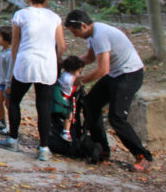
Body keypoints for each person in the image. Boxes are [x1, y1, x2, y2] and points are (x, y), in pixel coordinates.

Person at [64, 10, 153, 172]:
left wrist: (81, 80)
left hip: (129, 74)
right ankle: (102, 148)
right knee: (90, 104)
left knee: (117, 117)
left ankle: (143, 156)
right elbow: (90, 58)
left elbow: (103, 69)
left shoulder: (100, 35)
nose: (75, 36)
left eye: (75, 31)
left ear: (83, 25)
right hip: (115, 74)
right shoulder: (92, 35)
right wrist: (66, 65)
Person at [0, 0, 66, 161]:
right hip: (47, 65)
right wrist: (55, 59)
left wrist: (11, 73)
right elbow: (62, 46)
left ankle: (13, 138)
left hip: (26, 62)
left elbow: (15, 45)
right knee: (43, 106)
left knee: (14, 100)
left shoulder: (21, 15)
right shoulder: (54, 18)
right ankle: (44, 148)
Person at [58, 55, 85, 142]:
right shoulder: (68, 77)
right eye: (78, 71)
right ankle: (66, 132)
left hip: (65, 98)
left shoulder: (65, 74)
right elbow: (77, 80)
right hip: (64, 100)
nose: (79, 74)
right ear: (72, 70)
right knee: (69, 116)